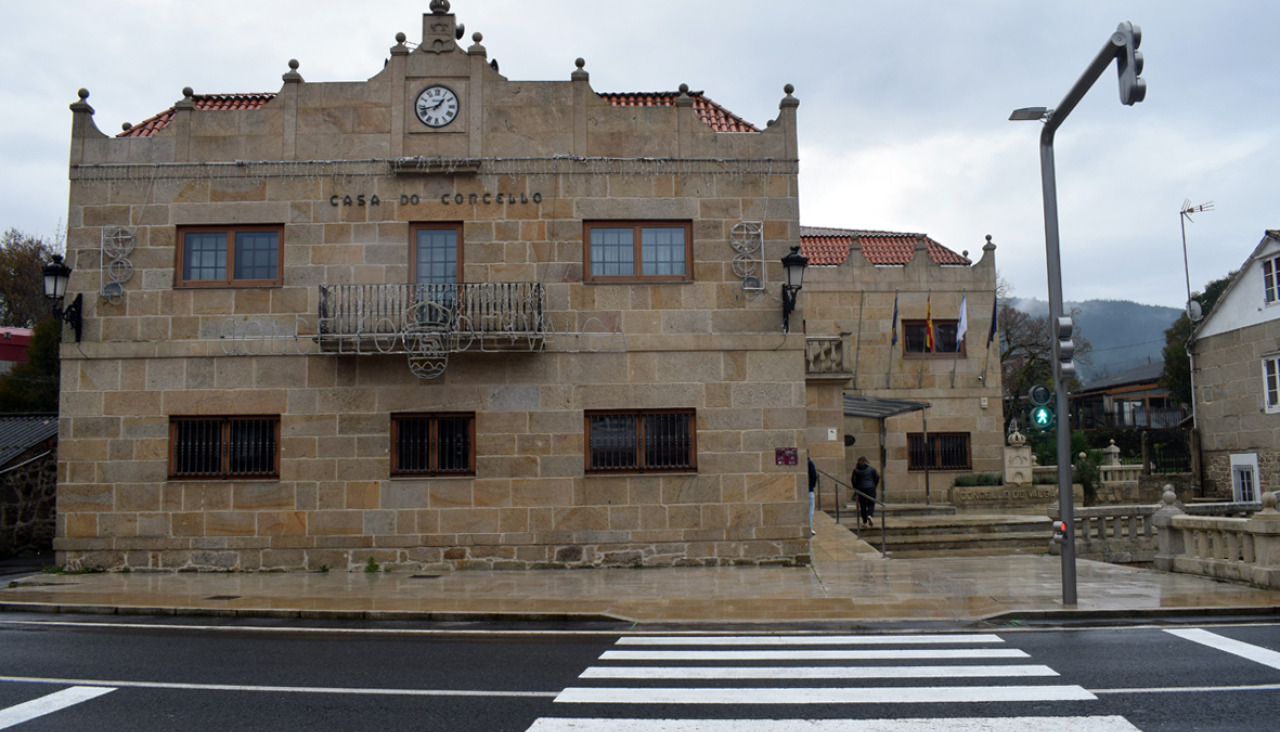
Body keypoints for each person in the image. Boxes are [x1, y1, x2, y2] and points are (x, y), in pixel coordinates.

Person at [851, 456, 879, 528]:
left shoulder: (856, 470)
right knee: (871, 503)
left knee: (863, 505)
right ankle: (870, 515)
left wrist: (856, 488)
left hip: (861, 488)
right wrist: (874, 485)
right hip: (871, 487)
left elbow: (853, 480)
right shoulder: (872, 469)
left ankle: (865, 522)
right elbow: (877, 477)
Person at [807, 457, 818, 536]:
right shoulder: (809, 463)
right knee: (810, 510)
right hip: (809, 490)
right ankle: (808, 527)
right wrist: (812, 485)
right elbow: (813, 476)